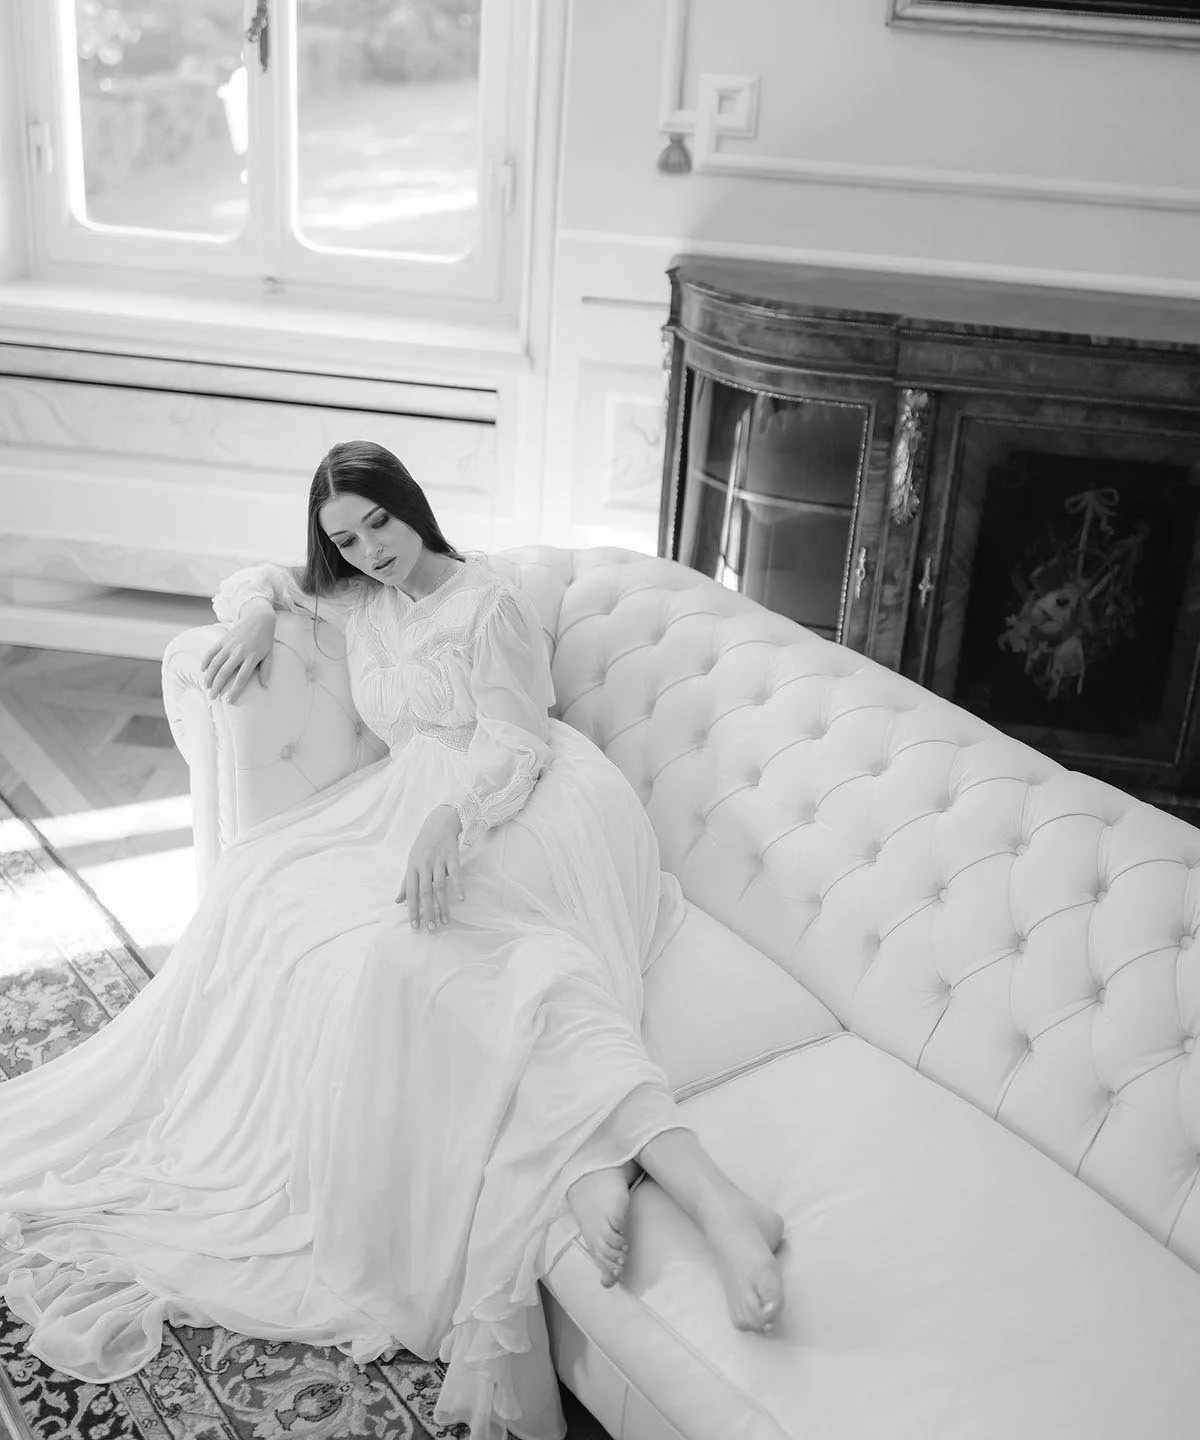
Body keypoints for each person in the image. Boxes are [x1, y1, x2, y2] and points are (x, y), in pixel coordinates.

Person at [0, 442, 787, 1440]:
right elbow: (263, 579)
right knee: (298, 904)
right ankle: (592, 1163)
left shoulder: (486, 600)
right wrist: (253, 608)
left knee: (504, 960)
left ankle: (711, 1197)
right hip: (411, 803)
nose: (369, 550)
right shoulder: (357, 600)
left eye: (379, 522)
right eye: (344, 537)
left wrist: (454, 818)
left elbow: (519, 739)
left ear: (411, 506)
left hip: (529, 797)